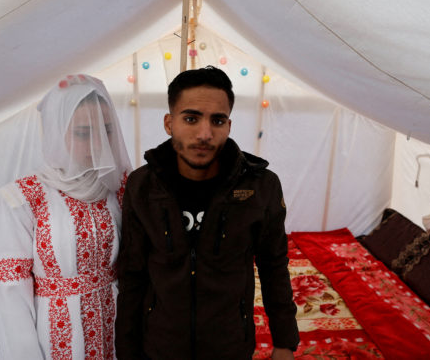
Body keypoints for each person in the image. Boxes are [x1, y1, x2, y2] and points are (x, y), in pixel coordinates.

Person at [116, 66, 299, 359]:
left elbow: (273, 266)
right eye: (191, 118)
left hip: (230, 346)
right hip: (160, 346)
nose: (205, 133)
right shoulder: (142, 186)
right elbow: (132, 276)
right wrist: (127, 352)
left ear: (228, 125)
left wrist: (284, 341)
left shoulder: (260, 186)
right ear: (169, 123)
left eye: (217, 120)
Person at [0, 74, 132, 359]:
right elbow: (11, 287)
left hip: (115, 324)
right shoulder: (23, 197)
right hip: (56, 333)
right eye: (83, 132)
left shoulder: (119, 187)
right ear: (56, 132)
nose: (98, 144)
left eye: (106, 131)